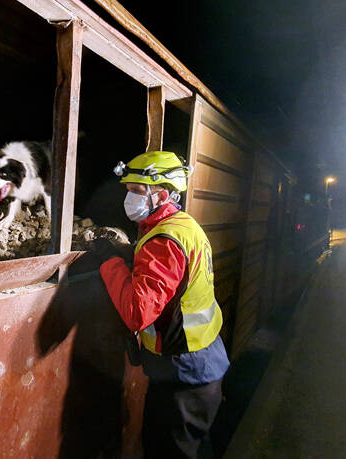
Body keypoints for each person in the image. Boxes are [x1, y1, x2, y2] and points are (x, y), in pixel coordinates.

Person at [93, 150, 229, 458]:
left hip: (185, 373)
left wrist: (110, 263)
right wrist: (129, 253)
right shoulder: (181, 224)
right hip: (197, 364)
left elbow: (137, 312)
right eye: (128, 190)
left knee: (169, 451)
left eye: (137, 191)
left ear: (162, 194)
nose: (130, 198)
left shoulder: (164, 240)